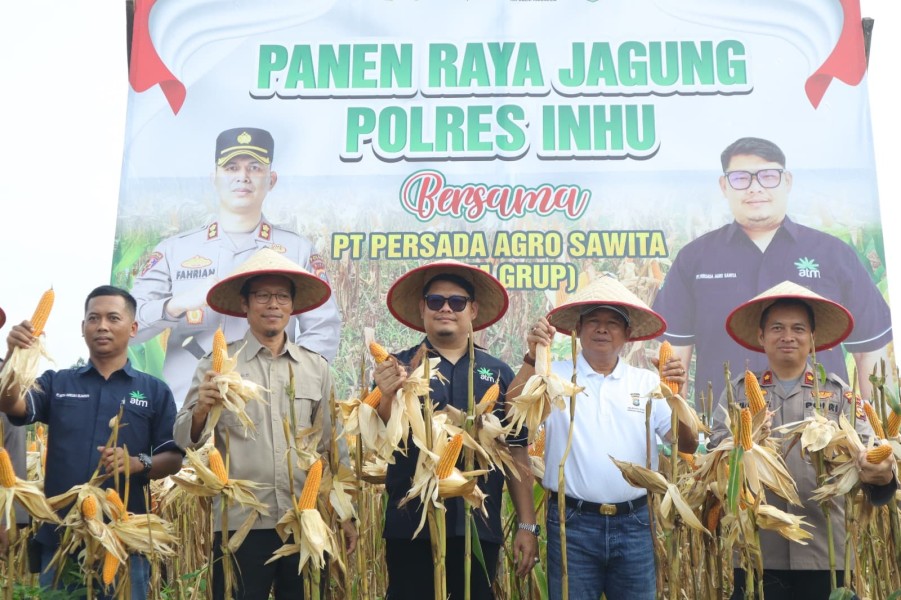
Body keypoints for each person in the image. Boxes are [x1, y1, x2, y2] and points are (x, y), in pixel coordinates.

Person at [174, 247, 357, 600]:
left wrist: (346, 514)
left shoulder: (315, 367)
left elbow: (334, 447)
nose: (272, 304)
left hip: (304, 521)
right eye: (262, 295)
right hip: (240, 523)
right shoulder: (219, 364)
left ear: (292, 306)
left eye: (281, 296)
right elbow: (186, 439)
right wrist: (202, 410)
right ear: (245, 304)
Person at [652, 136, 892, 404]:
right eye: (741, 178)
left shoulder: (834, 254)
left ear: (787, 181)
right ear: (724, 185)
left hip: (821, 431)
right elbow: (675, 358)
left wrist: (878, 436)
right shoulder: (695, 259)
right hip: (727, 433)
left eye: (768, 176)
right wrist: (682, 437)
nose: (755, 188)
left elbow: (870, 354)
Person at [511, 274, 697, 600]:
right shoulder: (553, 376)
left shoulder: (647, 383)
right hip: (572, 525)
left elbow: (687, 445)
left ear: (627, 334)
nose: (602, 329)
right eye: (593, 321)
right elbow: (513, 421)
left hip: (636, 523)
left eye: (613, 323)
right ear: (578, 329)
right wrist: (531, 358)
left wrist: (677, 396)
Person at [130, 127, 342, 407]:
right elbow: (130, 329)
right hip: (189, 406)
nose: (243, 176)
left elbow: (324, 327)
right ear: (214, 178)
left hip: (267, 406)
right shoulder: (174, 250)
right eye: (231, 167)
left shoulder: (297, 250)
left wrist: (290, 379)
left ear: (272, 179)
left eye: (254, 167)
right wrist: (175, 305)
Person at [0, 286, 183, 599]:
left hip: (123, 540)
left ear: (134, 328)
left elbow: (173, 457)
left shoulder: (154, 391)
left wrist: (139, 464)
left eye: (113, 318)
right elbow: (12, 405)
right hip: (62, 536)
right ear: (82, 327)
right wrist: (13, 358)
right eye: (93, 318)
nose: (102, 326)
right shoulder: (57, 382)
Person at [719, 281, 898, 600]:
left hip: (827, 553)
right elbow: (717, 469)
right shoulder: (738, 394)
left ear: (812, 338)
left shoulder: (841, 394)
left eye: (798, 328)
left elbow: (872, 462)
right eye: (777, 327)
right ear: (761, 336)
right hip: (757, 552)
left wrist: (882, 472)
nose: (788, 336)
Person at [373, 260, 538, 600]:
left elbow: (516, 450)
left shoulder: (498, 372)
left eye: (457, 302)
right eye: (435, 301)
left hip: (478, 524)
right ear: (422, 308)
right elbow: (381, 436)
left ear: (473, 309)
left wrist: (526, 525)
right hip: (410, 523)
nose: (445, 308)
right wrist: (386, 397)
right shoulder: (396, 367)